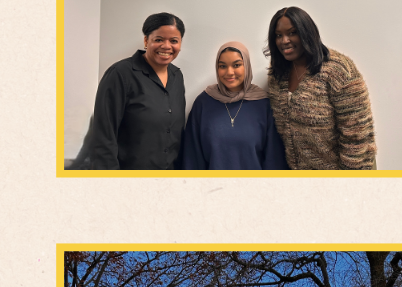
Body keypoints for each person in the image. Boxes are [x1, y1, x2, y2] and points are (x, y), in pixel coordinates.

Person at [264, 7, 377, 169]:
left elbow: (357, 135)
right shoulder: (278, 73)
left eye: (292, 32)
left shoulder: (338, 70)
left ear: (307, 33)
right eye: (278, 35)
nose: (284, 41)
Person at [74, 13, 187, 169]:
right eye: (159, 39)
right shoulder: (120, 74)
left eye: (174, 41)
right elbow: (103, 138)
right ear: (146, 40)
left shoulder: (177, 77)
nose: (166, 46)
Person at [181, 40, 288, 170]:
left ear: (246, 66)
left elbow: (274, 159)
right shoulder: (203, 103)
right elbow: (192, 158)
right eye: (223, 66)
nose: (229, 72)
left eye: (236, 65)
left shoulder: (264, 104)